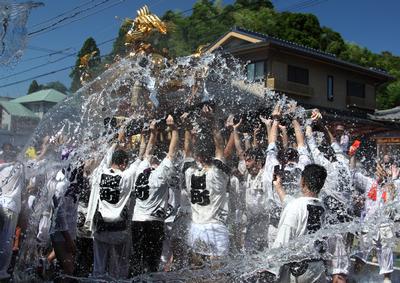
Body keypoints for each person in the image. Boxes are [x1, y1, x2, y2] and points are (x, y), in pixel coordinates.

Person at [85, 129, 141, 279]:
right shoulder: (125, 176)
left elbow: (106, 157)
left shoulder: (101, 172)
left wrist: (117, 141)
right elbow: (141, 158)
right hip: (118, 231)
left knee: (98, 267)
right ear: (124, 164)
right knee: (117, 268)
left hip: (101, 229)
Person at [184, 104, 230, 267]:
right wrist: (213, 122)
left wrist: (188, 129)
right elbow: (220, 146)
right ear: (211, 156)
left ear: (197, 156)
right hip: (215, 228)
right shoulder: (216, 172)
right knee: (218, 272)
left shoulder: (189, 172)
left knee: (195, 269)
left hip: (196, 227)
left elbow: (187, 151)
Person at [131, 115, 178, 275]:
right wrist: (174, 130)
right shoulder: (160, 175)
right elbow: (172, 153)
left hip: (137, 221)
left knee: (137, 259)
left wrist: (153, 133)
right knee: (152, 263)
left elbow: (147, 153)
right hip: (153, 223)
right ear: (157, 165)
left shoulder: (140, 171)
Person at [271, 164, 328, 283]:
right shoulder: (322, 207)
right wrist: (278, 187)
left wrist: (269, 270)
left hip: (300, 272)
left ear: (302, 181)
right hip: (318, 268)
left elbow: (281, 243)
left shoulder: (295, 207)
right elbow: (291, 203)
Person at [0, 161, 24, 281]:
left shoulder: (1, 167)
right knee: (7, 240)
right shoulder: (19, 166)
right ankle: (2, 272)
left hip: (1, 204)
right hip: (11, 206)